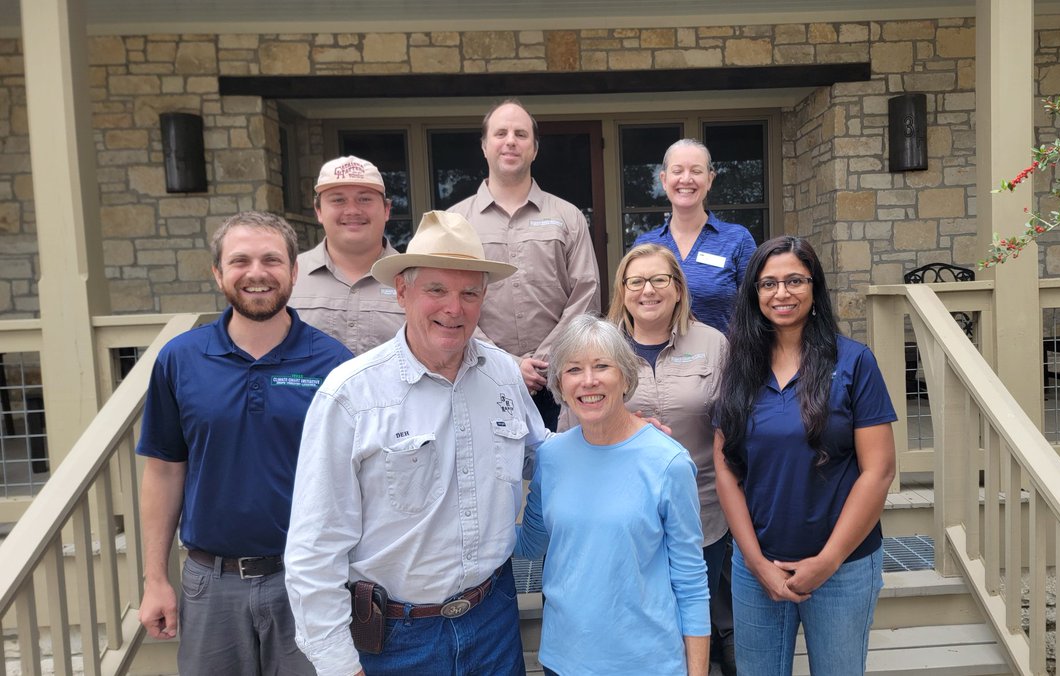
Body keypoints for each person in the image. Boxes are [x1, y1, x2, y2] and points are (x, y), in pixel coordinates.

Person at [284, 210, 548, 676]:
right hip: (395, 640)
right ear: (403, 291)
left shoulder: (505, 374)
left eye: (470, 292)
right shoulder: (351, 396)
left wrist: (622, 437)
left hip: (494, 619)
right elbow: (315, 547)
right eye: (437, 290)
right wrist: (339, 664)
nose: (455, 307)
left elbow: (546, 459)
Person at [136, 211, 352, 675]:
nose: (257, 273)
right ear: (218, 274)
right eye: (240, 261)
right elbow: (163, 470)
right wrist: (156, 579)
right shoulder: (180, 359)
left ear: (294, 271)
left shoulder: (334, 363)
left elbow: (354, 480)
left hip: (307, 582)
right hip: (210, 584)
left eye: (271, 260)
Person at [713, 236, 897, 676]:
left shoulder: (854, 362)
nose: (781, 293)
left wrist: (828, 560)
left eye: (795, 280)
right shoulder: (739, 367)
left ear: (815, 289)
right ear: (754, 294)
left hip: (842, 567)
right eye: (768, 283)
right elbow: (725, 469)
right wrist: (755, 562)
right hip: (758, 568)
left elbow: (879, 471)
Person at [560, 243, 737, 673]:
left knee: (694, 614)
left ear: (678, 288)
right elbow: (570, 430)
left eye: (660, 280)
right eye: (636, 281)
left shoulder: (714, 345)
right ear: (622, 290)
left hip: (702, 513)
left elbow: (732, 432)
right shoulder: (597, 347)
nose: (648, 291)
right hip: (621, 520)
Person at [515, 314, 710, 676]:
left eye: (602, 366)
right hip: (564, 660)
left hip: (646, 663)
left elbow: (691, 581)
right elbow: (531, 543)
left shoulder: (667, 461)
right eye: (574, 369)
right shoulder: (552, 457)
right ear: (559, 382)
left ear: (624, 375)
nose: (589, 381)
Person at [449, 98, 601, 429]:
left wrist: (545, 360)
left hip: (559, 381)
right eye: (500, 133)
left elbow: (586, 295)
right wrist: (507, 364)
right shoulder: (455, 221)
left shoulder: (567, 216)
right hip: (479, 374)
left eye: (521, 134)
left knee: (558, 475)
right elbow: (448, 304)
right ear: (484, 146)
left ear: (534, 149)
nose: (510, 141)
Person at [633, 138, 757, 334]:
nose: (686, 179)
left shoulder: (737, 240)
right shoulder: (645, 245)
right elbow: (633, 308)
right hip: (661, 361)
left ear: (709, 180)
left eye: (696, 171)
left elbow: (755, 309)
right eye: (678, 171)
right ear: (664, 180)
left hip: (723, 361)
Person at [291, 155, 406, 355]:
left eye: (365, 199)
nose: (352, 210)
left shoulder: (417, 278)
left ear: (387, 209)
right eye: (338, 200)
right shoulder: (287, 277)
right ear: (318, 211)